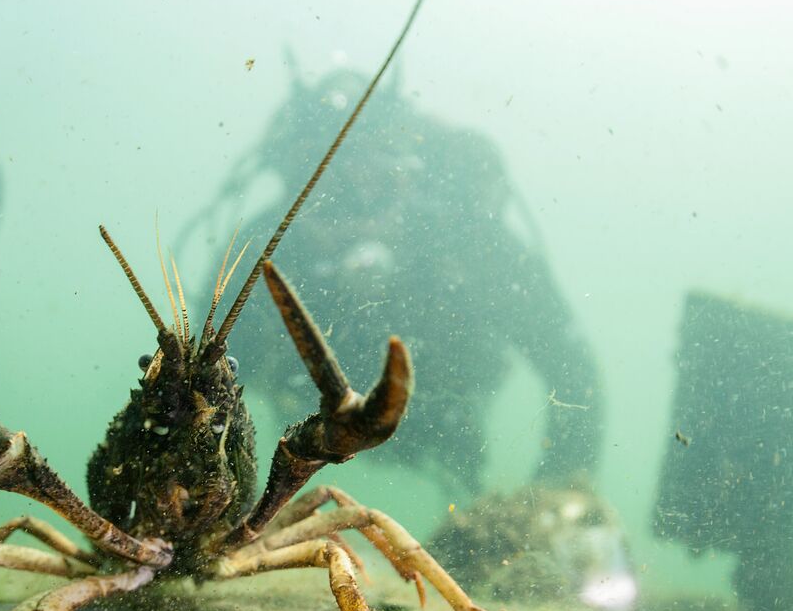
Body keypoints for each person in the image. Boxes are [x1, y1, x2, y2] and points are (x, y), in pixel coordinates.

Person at [185, 68, 603, 495]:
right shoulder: (262, 253)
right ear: (294, 185)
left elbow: (574, 374)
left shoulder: (471, 244)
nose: (357, 206)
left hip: (448, 431)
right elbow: (198, 399)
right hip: (302, 442)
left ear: (411, 173)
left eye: (378, 183)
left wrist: (550, 503)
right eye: (331, 192)